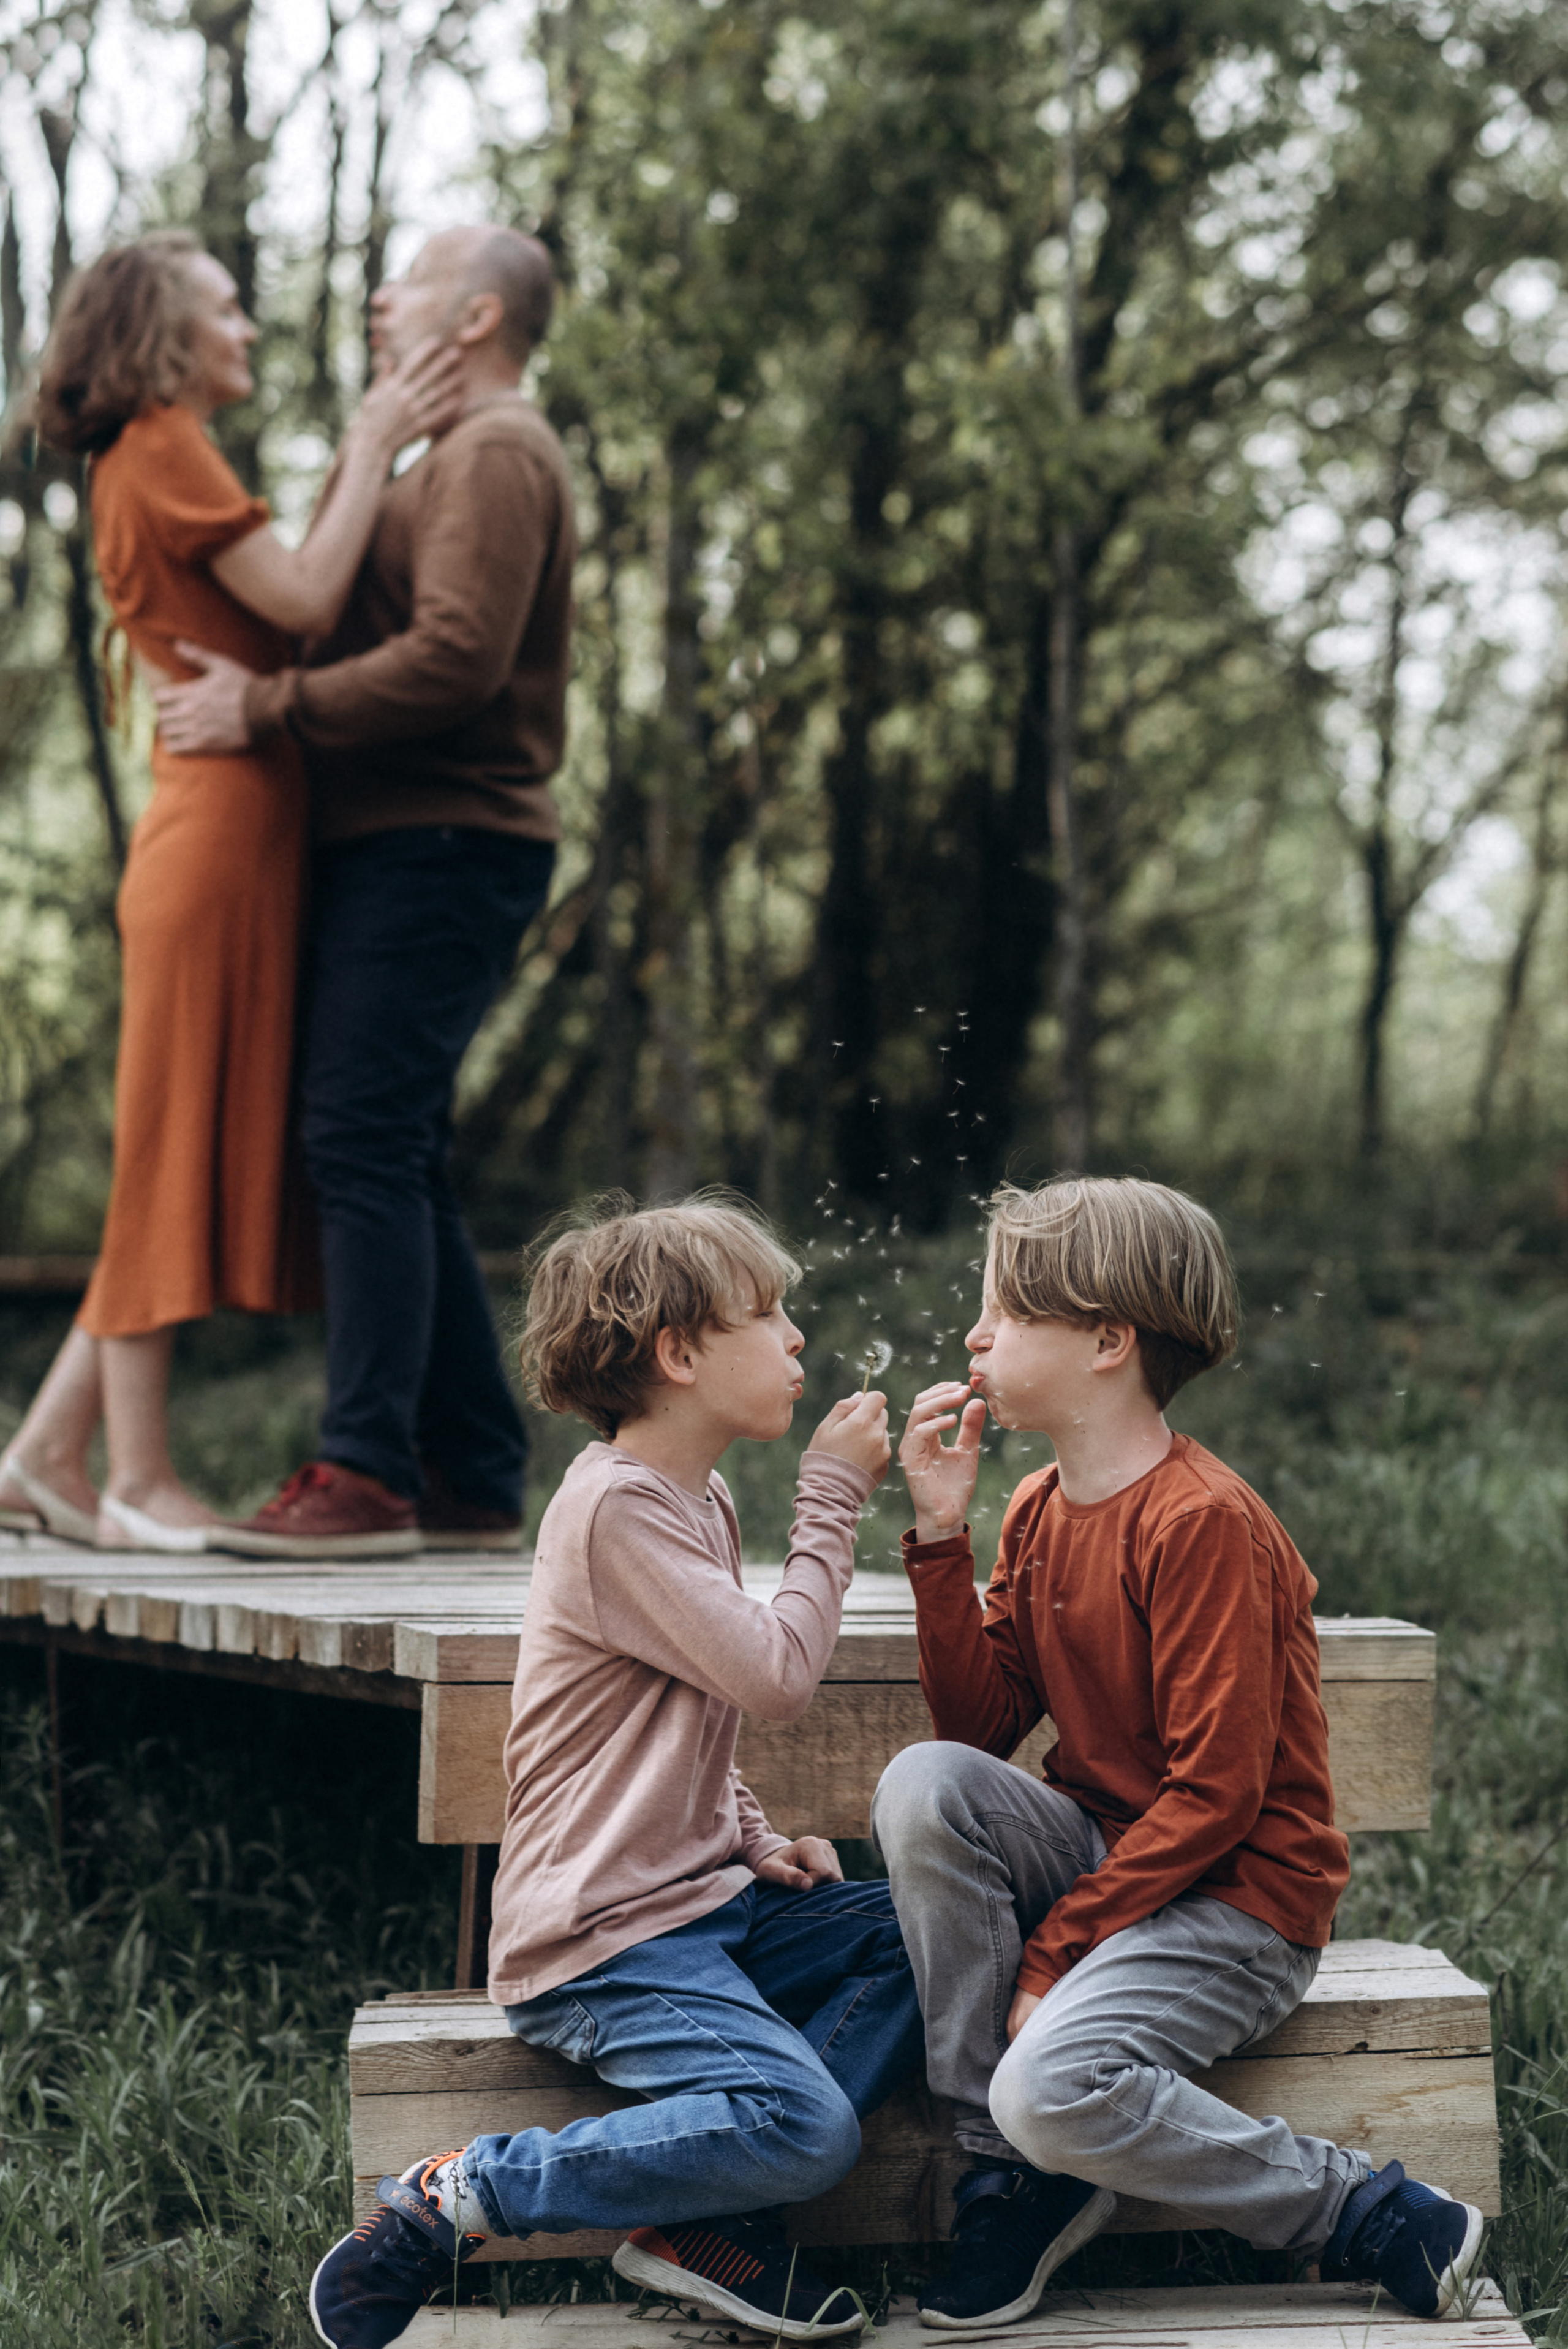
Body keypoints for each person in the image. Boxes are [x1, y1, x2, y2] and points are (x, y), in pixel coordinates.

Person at [307, 1197, 922, 2348]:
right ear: (678, 1354)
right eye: (768, 1314)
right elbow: (778, 1674)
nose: (797, 1337)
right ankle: (463, 2197)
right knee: (810, 2131)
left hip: (704, 1903)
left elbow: (691, 1710)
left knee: (928, 1925)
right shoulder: (613, 1509)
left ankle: (704, 2223)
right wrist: (834, 1499)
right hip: (603, 1939)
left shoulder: (695, 1492)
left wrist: (752, 1835)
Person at [872, 1175, 1485, 2328]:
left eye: (1006, 1309)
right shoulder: (1044, 1505)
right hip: (1118, 1857)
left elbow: (1219, 1792)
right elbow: (980, 1730)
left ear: (1109, 1340)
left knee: (1051, 2087)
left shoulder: (1199, 1519)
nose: (975, 1334)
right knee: (924, 1784)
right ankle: (1004, 2172)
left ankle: (1373, 2212)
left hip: (1238, 1899)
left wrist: (1055, 1949)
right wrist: (943, 1534)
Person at [0, 232, 460, 1552]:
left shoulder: (151, 449)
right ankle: (135, 1476)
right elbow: (309, 600)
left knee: (177, 1151)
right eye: (224, 308)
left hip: (242, 838)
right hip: (212, 842)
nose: (248, 327)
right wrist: (374, 436)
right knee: (166, 1160)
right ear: (159, 332)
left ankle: (43, 1451)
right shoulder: (161, 442)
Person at [154, 225, 575, 1559]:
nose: (380, 295)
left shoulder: (501, 449)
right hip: (410, 840)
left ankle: (367, 1470)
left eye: (412, 279)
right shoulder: (444, 454)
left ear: (478, 317)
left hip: (445, 841)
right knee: (390, 1145)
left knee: (358, 1140)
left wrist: (265, 708)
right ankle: (474, 1467)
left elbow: (454, 660)